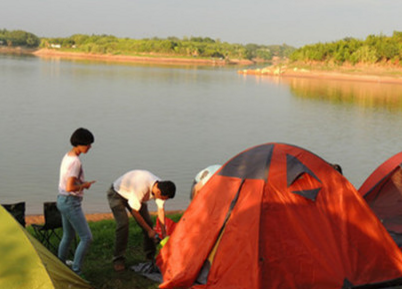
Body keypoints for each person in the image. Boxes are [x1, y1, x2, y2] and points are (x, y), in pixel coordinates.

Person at [106, 170, 176, 272]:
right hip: (117, 194)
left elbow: (160, 211)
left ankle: (150, 256)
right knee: (123, 225)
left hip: (134, 195)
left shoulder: (162, 187)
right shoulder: (142, 188)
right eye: (163, 198)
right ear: (158, 192)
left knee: (148, 223)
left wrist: (164, 233)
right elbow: (135, 212)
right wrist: (149, 231)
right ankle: (118, 259)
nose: (163, 200)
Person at [57, 127, 96, 277]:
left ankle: (60, 264)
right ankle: (76, 272)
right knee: (86, 238)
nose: (90, 147)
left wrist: (82, 183)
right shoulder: (75, 162)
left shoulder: (67, 156)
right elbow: (70, 186)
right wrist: (84, 186)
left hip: (62, 200)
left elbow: (68, 181)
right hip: (70, 202)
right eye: (88, 144)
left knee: (68, 235)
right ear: (80, 144)